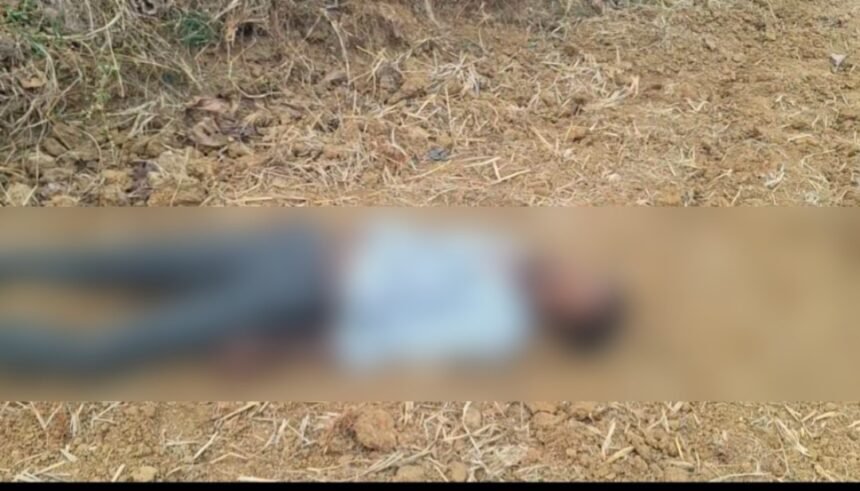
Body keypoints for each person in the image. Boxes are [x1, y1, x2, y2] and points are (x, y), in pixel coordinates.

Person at [0, 218, 625, 377]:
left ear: (568, 321)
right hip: (294, 249)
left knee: (112, 348)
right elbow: (411, 244)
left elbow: (394, 338)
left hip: (299, 295)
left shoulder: (496, 327)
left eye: (581, 297)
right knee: (116, 265)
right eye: (587, 278)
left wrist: (278, 347)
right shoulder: (510, 254)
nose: (573, 280)